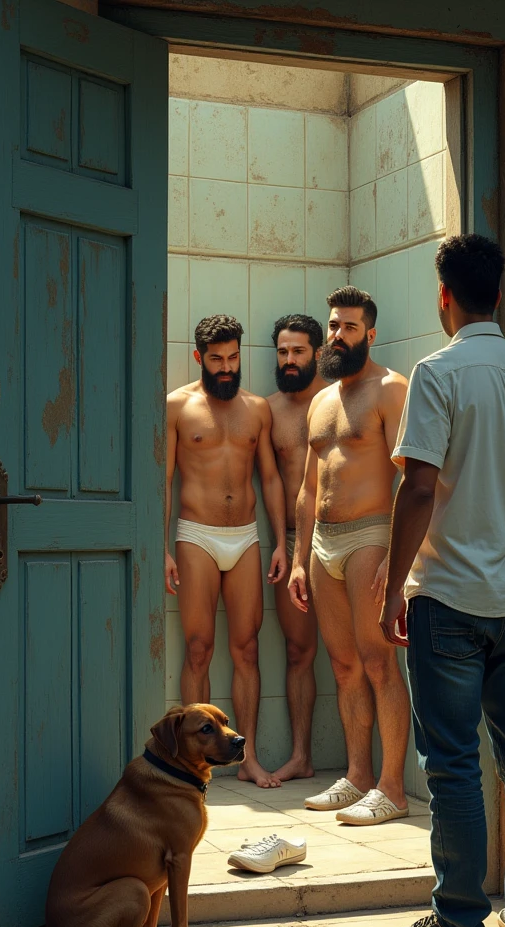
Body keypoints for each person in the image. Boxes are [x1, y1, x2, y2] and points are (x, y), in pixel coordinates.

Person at [379, 234, 505, 927]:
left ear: (443, 296)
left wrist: (392, 586)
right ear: (503, 292)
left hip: (448, 603)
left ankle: (458, 921)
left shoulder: (437, 373)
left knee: (455, 762)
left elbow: (419, 485)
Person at [288, 286, 412, 825]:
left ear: (371, 334)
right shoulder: (320, 400)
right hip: (323, 544)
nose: (337, 335)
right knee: (343, 667)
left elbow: (417, 474)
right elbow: (308, 487)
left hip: (371, 536)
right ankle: (358, 776)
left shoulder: (392, 390)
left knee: (378, 661)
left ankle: (392, 788)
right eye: (333, 325)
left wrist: (399, 553)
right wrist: (297, 556)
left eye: (349, 328)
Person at [165, 314, 287, 789]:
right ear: (200, 357)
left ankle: (248, 757)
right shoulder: (177, 406)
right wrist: (163, 549)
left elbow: (271, 478)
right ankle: (191, 766)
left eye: (233, 358)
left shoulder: (257, 409)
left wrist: (278, 541)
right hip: (196, 533)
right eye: (216, 359)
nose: (226, 367)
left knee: (248, 649)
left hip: (246, 537)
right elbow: (166, 479)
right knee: (199, 648)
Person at [267, 313, 327, 782]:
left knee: (362, 659)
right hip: (291, 542)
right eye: (283, 352)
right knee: (297, 652)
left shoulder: (336, 401)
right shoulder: (270, 411)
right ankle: (302, 756)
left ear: (318, 354)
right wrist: (279, 546)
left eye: (298, 352)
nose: (289, 361)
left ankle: (369, 772)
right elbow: (269, 482)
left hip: (338, 534)